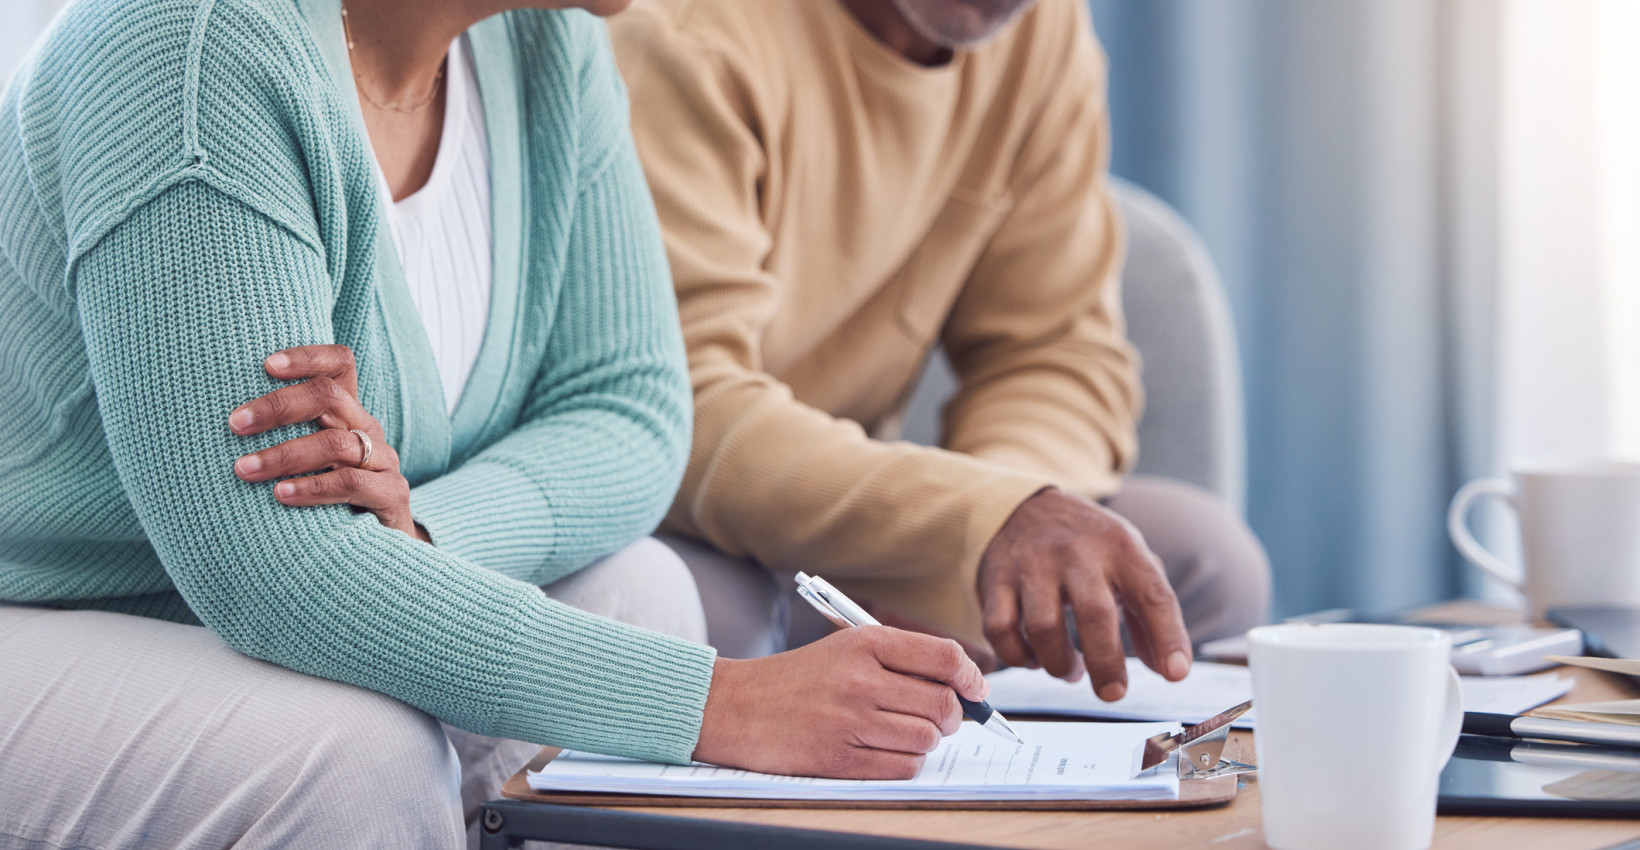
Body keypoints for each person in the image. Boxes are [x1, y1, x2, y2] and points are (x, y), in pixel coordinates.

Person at [0, 0, 987, 846]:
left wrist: (421, 533)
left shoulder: (548, 40)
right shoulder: (190, 43)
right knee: (350, 756)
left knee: (641, 588)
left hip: (217, 598)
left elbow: (631, 411)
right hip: (39, 613)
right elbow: (273, 573)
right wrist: (718, 705)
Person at [609, 0, 1272, 697]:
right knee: (705, 614)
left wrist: (991, 558)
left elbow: (1053, 352)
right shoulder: (689, 36)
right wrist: (971, 528)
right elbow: (684, 414)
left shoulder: (1041, 30)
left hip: (874, 515)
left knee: (1205, 564)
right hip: (691, 518)